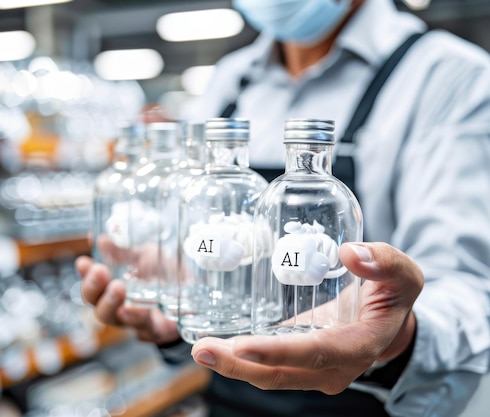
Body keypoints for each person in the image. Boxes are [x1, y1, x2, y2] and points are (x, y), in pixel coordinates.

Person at [76, 0, 490, 416]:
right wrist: (180, 306)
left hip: (365, 403)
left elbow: (469, 288)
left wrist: (397, 337)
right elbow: (199, 244)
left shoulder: (450, 75)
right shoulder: (230, 79)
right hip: (230, 400)